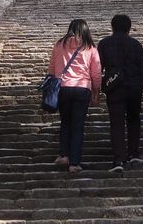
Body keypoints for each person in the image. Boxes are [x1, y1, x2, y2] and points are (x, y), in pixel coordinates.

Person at [98, 14, 143, 172]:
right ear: (129, 28)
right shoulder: (135, 44)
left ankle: (118, 160)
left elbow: (98, 69)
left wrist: (95, 89)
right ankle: (133, 153)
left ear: (112, 26)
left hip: (115, 88)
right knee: (134, 120)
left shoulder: (104, 44)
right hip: (134, 87)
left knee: (116, 123)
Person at [48, 19, 101, 173]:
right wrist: (96, 91)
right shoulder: (90, 47)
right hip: (82, 89)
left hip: (63, 88)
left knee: (65, 122)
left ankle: (64, 155)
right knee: (78, 126)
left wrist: (52, 84)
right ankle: (74, 163)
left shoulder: (59, 45)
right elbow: (96, 73)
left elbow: (52, 68)